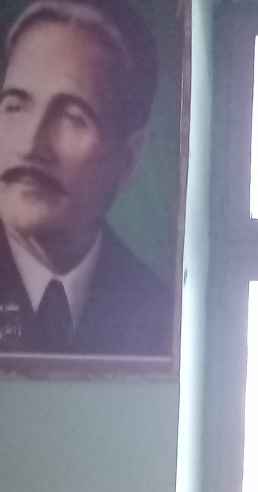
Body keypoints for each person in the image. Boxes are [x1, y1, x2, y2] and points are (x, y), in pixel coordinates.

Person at [0, 0, 172, 356]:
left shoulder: (157, 310)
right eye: (15, 106)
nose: (31, 146)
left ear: (126, 159)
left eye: (73, 117)